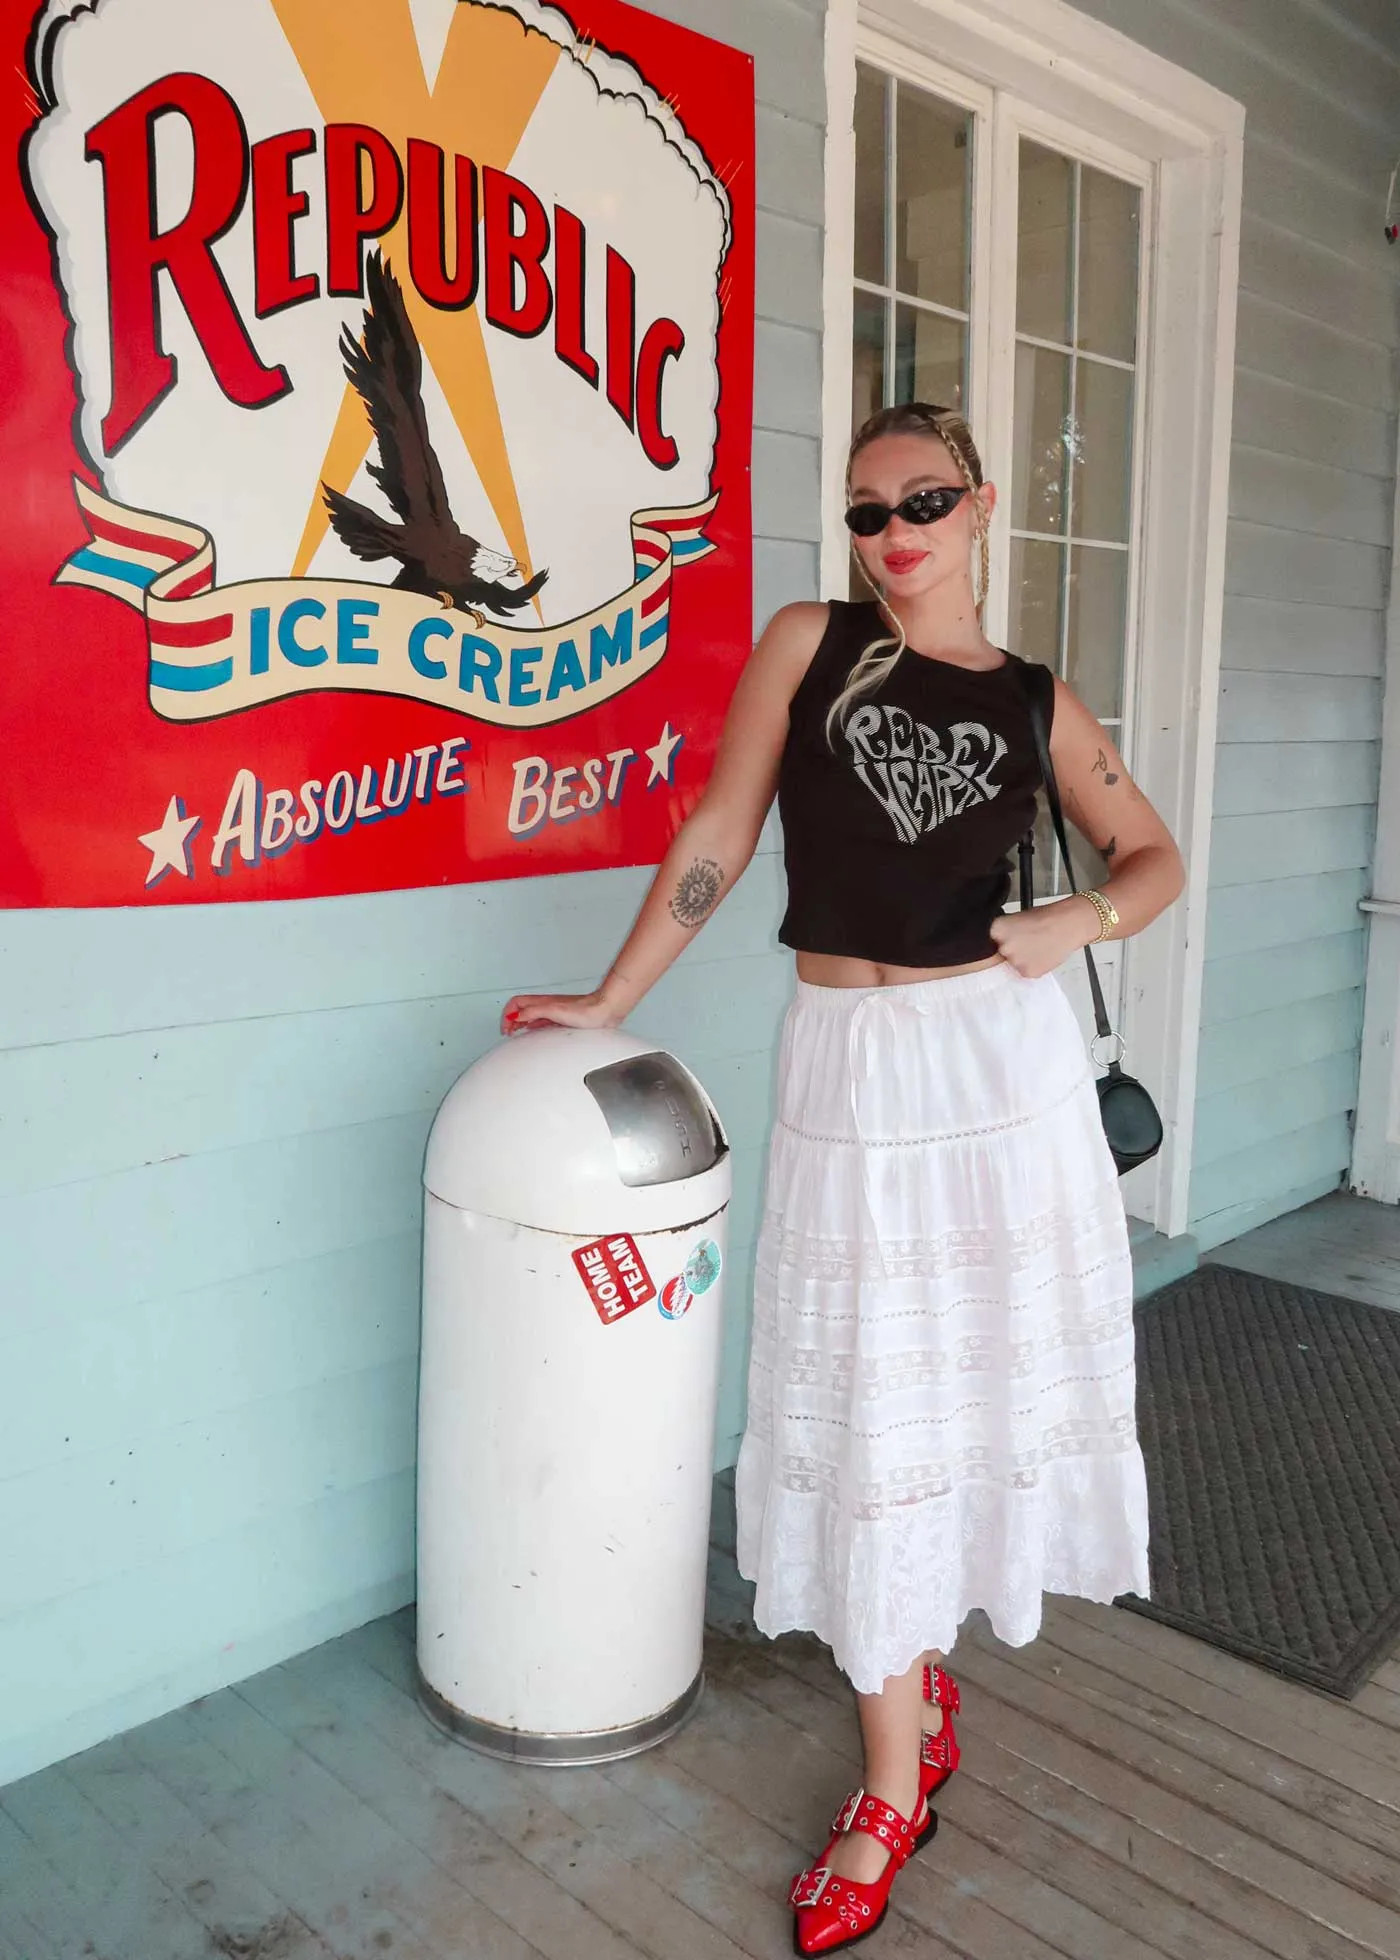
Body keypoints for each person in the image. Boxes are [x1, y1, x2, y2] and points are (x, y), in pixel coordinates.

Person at [502, 401, 1185, 1955]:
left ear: (982, 506)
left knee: (963, 1390)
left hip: (995, 1076)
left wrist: (1084, 922)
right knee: (868, 1395)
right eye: (870, 510)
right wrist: (616, 999)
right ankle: (903, 1731)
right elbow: (723, 830)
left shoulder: (1035, 699)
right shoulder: (808, 642)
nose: (894, 535)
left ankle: (895, 1781)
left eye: (925, 501)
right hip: (844, 1063)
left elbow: (1151, 856)